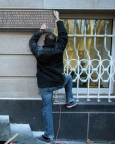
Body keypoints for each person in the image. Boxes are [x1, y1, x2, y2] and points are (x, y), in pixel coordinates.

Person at [29, 10, 77, 143]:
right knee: (68, 78)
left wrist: (40, 30)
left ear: (44, 41)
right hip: (58, 82)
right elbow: (64, 36)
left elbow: (32, 42)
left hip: (45, 86)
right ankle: (70, 100)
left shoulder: (39, 51)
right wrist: (58, 19)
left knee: (47, 109)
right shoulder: (59, 48)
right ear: (55, 42)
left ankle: (48, 136)